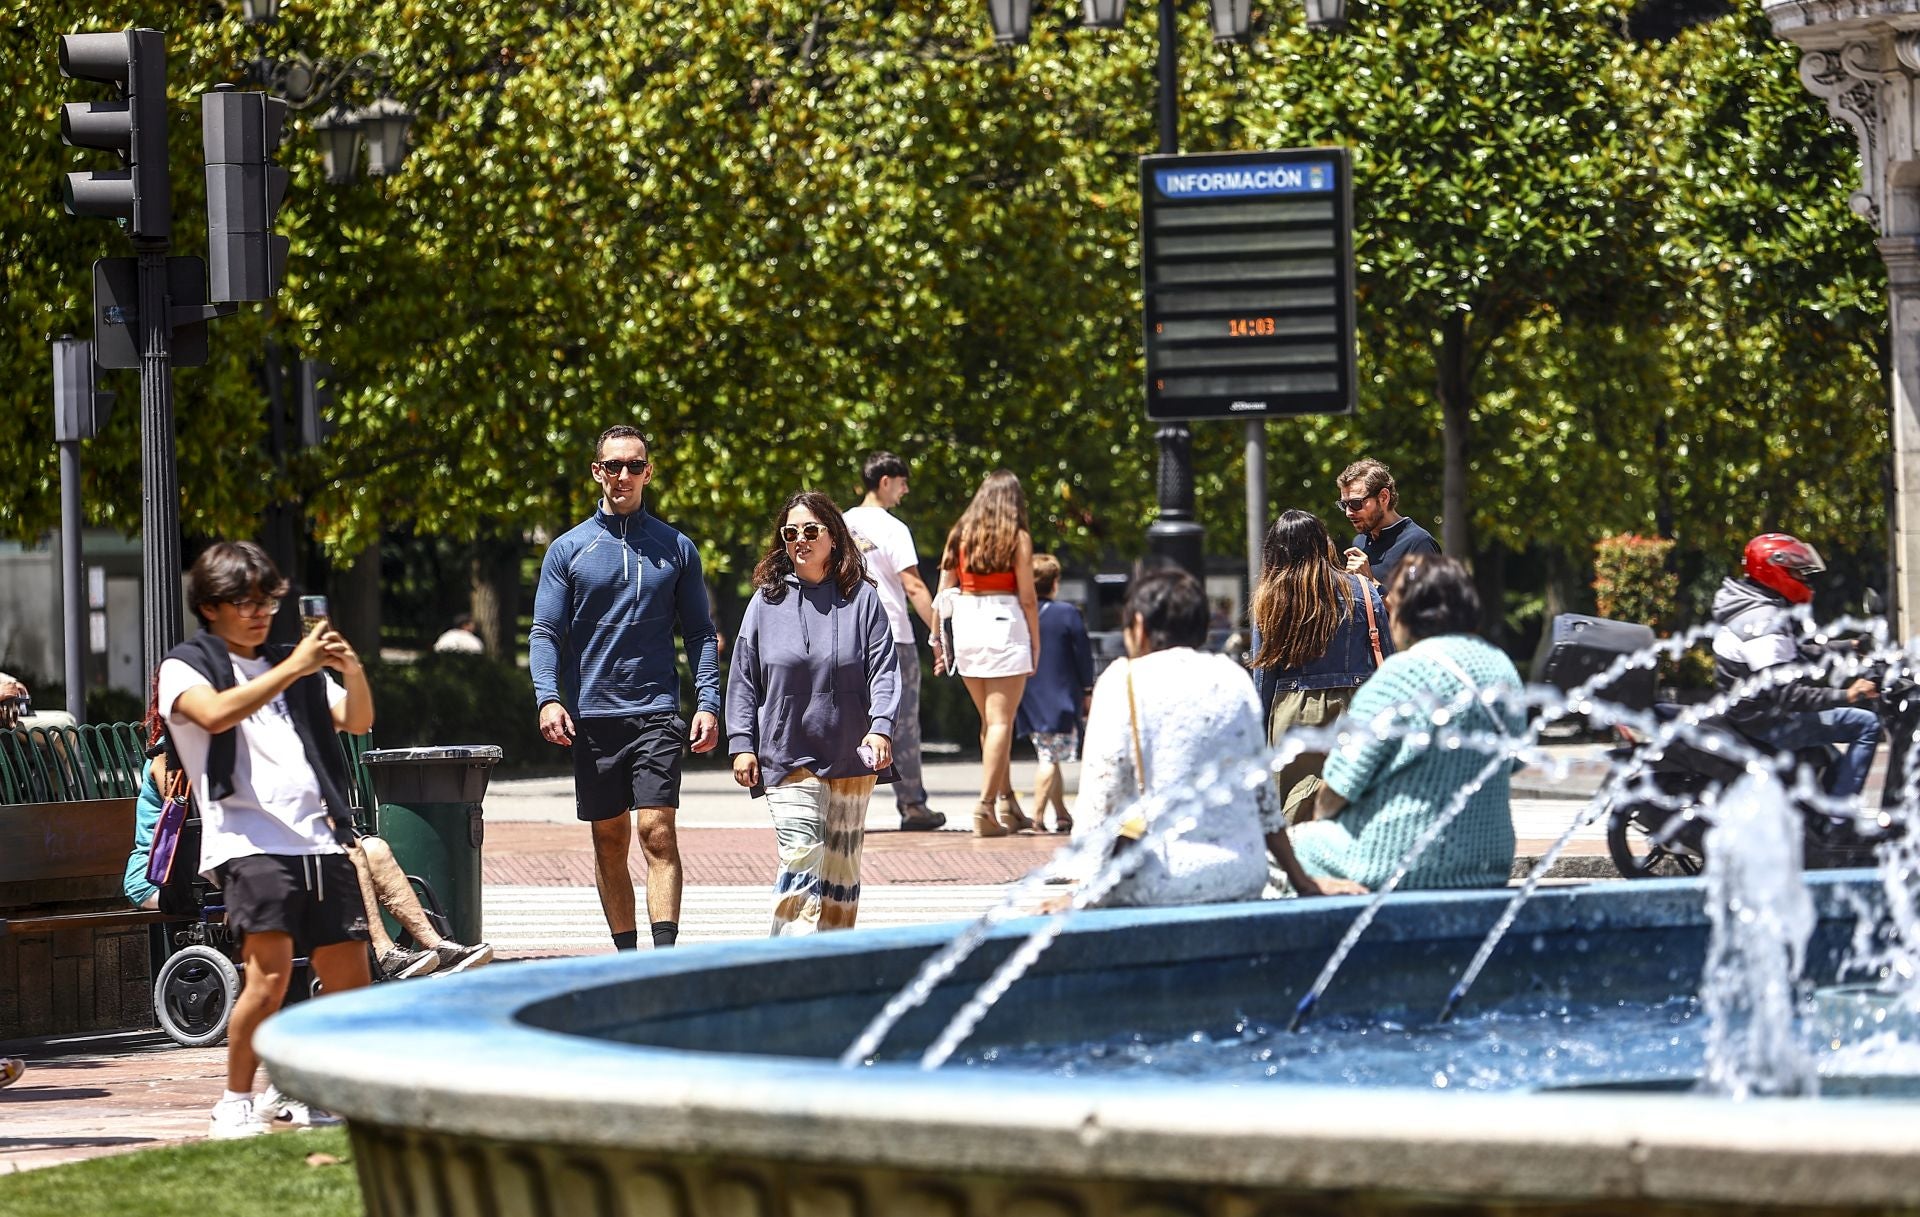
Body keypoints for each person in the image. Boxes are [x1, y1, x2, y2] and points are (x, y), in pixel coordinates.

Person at [158, 541, 374, 1138]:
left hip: (319, 841)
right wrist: (297, 666)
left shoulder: (291, 663)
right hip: (246, 841)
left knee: (350, 979)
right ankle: (233, 1099)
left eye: (267, 600)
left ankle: (302, 1087)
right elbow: (215, 715)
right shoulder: (187, 664)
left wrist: (349, 670)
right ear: (208, 606)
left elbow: (357, 721)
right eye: (243, 602)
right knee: (270, 975)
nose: (259, 613)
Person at [530, 426, 722, 951]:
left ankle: (663, 957)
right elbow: (545, 631)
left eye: (633, 466)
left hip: (657, 710)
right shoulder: (567, 549)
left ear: (648, 472)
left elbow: (702, 633)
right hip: (593, 714)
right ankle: (627, 956)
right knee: (609, 839)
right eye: (612, 466)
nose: (622, 476)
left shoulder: (676, 547)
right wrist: (548, 696)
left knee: (656, 831)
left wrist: (708, 702)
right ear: (597, 471)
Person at [1062, 568, 1338, 905]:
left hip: (1160, 880)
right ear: (1203, 627)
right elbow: (1263, 800)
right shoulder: (1233, 677)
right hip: (1243, 875)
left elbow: (1101, 798)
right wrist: (1302, 881)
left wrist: (1079, 893)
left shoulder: (1122, 679)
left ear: (1139, 625)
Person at [1290, 555, 1522, 892]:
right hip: (1489, 862)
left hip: (1400, 866)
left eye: (1393, 604)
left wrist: (1321, 823)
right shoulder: (1502, 669)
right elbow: (1513, 762)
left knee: (1292, 848)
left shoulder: (1402, 675)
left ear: (1408, 612)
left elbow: (1337, 790)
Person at [726, 491, 899, 934]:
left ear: (834, 537)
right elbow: (744, 677)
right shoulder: (766, 602)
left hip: (851, 754)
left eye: (810, 530)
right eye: (790, 533)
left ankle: (834, 968)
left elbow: (883, 670)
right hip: (786, 753)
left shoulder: (862, 600)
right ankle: (787, 963)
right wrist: (742, 744)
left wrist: (881, 729)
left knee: (841, 872)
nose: (799, 540)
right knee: (801, 855)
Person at [1249, 510, 1394, 827]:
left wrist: (1257, 738)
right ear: (1322, 544)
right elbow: (1388, 658)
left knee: (1296, 813)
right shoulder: (1362, 590)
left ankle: (1303, 875)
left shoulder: (1271, 597)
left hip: (1294, 715)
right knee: (1356, 809)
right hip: (1356, 708)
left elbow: (1264, 678)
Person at [1711, 533, 1880, 801]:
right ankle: (1839, 821)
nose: (1805, 581)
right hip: (1765, 721)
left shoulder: (1750, 604)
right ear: (1775, 571)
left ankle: (1816, 813)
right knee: (1866, 724)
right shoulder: (1764, 620)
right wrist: (1847, 695)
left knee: (1830, 752)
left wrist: (1850, 646)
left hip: (1748, 712)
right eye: (1798, 574)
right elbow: (1788, 695)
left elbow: (1794, 653)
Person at [935, 469, 1041, 837]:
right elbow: (1027, 597)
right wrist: (1035, 641)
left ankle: (1008, 801)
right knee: (1000, 722)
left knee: (989, 723)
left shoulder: (960, 534)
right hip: (1003, 620)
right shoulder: (1017, 537)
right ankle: (984, 807)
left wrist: (938, 640)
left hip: (966, 623)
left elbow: (942, 591)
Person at [843, 451, 945, 832]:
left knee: (850, 721)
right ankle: (913, 806)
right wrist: (939, 633)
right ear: (885, 481)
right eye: (902, 483)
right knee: (902, 724)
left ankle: (848, 805)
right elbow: (914, 586)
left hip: (847, 638)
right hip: (893, 637)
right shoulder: (893, 528)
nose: (904, 491)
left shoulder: (839, 523)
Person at [1015, 553, 1093, 834]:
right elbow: (1083, 654)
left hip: (1028, 695)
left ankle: (1061, 813)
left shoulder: (1021, 613)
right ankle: (1036, 817)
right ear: (1055, 583)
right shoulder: (1067, 613)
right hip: (1060, 696)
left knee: (1048, 754)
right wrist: (1087, 688)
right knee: (1049, 758)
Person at [1335, 458, 1440, 592]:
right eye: (1344, 505)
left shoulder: (1419, 543)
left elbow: (1427, 611)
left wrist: (1372, 583)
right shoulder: (1359, 542)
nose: (1348, 513)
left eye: (1356, 503)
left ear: (1384, 497)